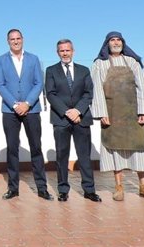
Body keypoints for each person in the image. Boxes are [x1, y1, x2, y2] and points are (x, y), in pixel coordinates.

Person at [91, 31, 144, 202]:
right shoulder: (100, 64)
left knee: (139, 149)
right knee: (115, 150)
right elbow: (96, 89)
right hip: (112, 114)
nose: (115, 43)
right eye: (112, 40)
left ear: (123, 42)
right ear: (107, 43)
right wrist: (101, 113)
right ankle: (118, 187)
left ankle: (143, 186)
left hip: (133, 114)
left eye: (118, 40)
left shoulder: (132, 62)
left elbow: (141, 87)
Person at [0, 29, 52, 200]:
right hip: (10, 111)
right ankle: (13, 188)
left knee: (36, 148)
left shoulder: (33, 59)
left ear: (23, 39)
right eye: (12, 39)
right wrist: (15, 104)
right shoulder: (1, 60)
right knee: (12, 149)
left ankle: (41, 188)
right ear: (8, 41)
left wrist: (27, 103)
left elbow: (38, 83)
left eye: (18, 38)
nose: (15, 41)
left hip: (31, 109)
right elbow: (0, 85)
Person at [45, 39, 101, 202]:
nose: (65, 53)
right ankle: (63, 190)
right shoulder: (51, 70)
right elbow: (50, 93)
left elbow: (88, 93)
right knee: (62, 156)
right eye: (61, 51)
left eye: (67, 50)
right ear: (58, 53)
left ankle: (89, 190)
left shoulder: (84, 70)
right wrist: (66, 112)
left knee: (84, 156)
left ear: (73, 51)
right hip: (61, 119)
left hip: (81, 118)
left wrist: (78, 111)